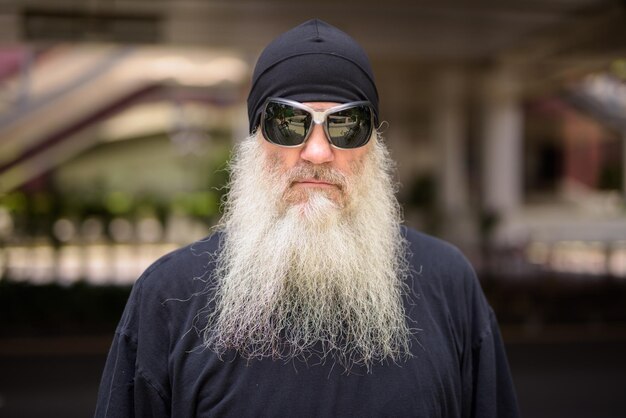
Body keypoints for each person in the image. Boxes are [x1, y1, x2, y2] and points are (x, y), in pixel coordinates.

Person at [95, 19, 520, 418]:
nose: (317, 152)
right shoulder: (168, 296)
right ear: (255, 139)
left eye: (346, 125)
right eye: (288, 123)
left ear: (373, 145)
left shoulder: (449, 284)